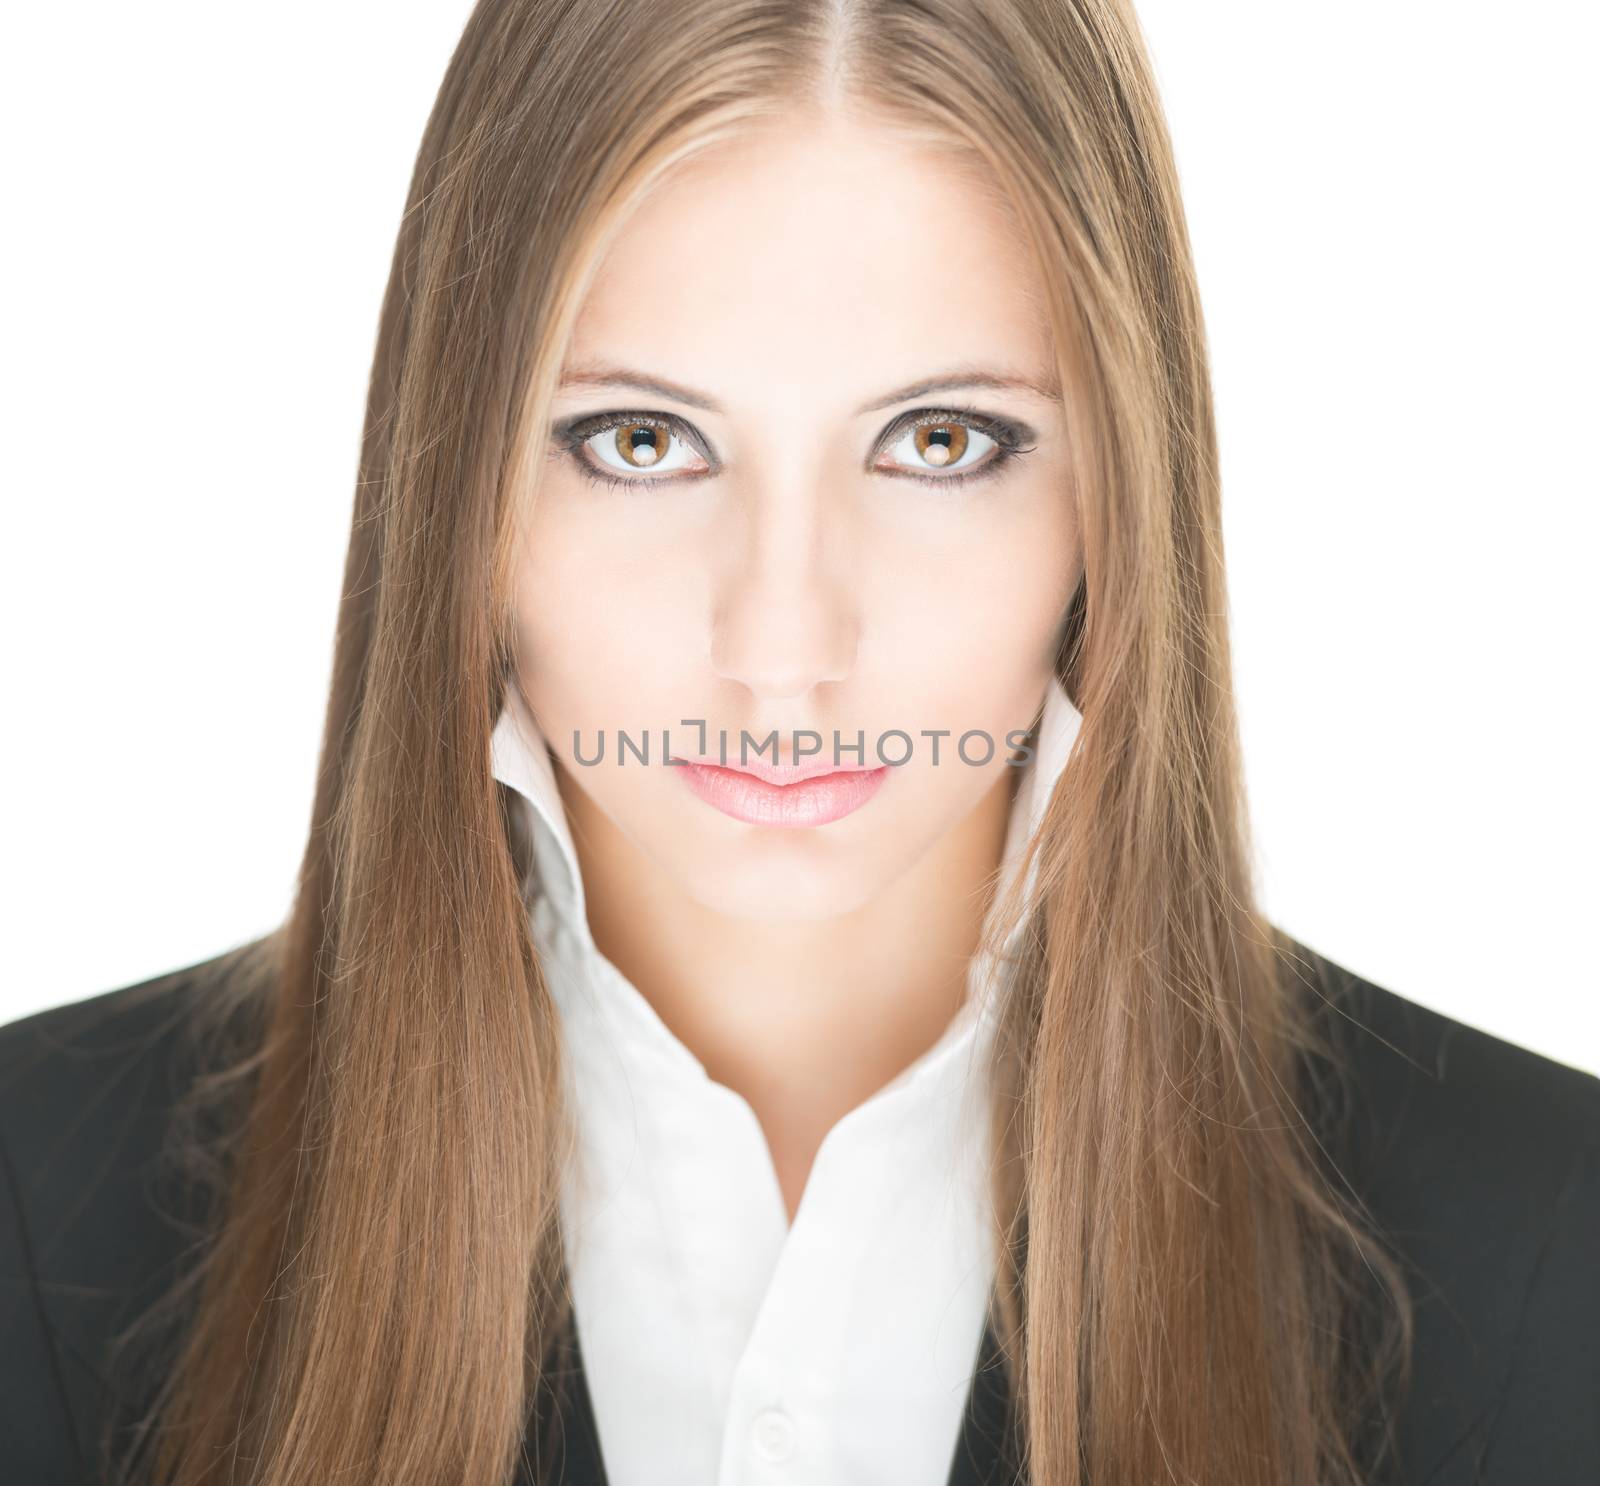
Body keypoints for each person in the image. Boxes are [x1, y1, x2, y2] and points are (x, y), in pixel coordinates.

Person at [2, 1, 1596, 1483]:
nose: (780, 650)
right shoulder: (38, 1215)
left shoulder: (1549, 1252)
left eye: (939, 441)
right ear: (462, 489)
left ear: (1118, 497)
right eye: (642, 441)